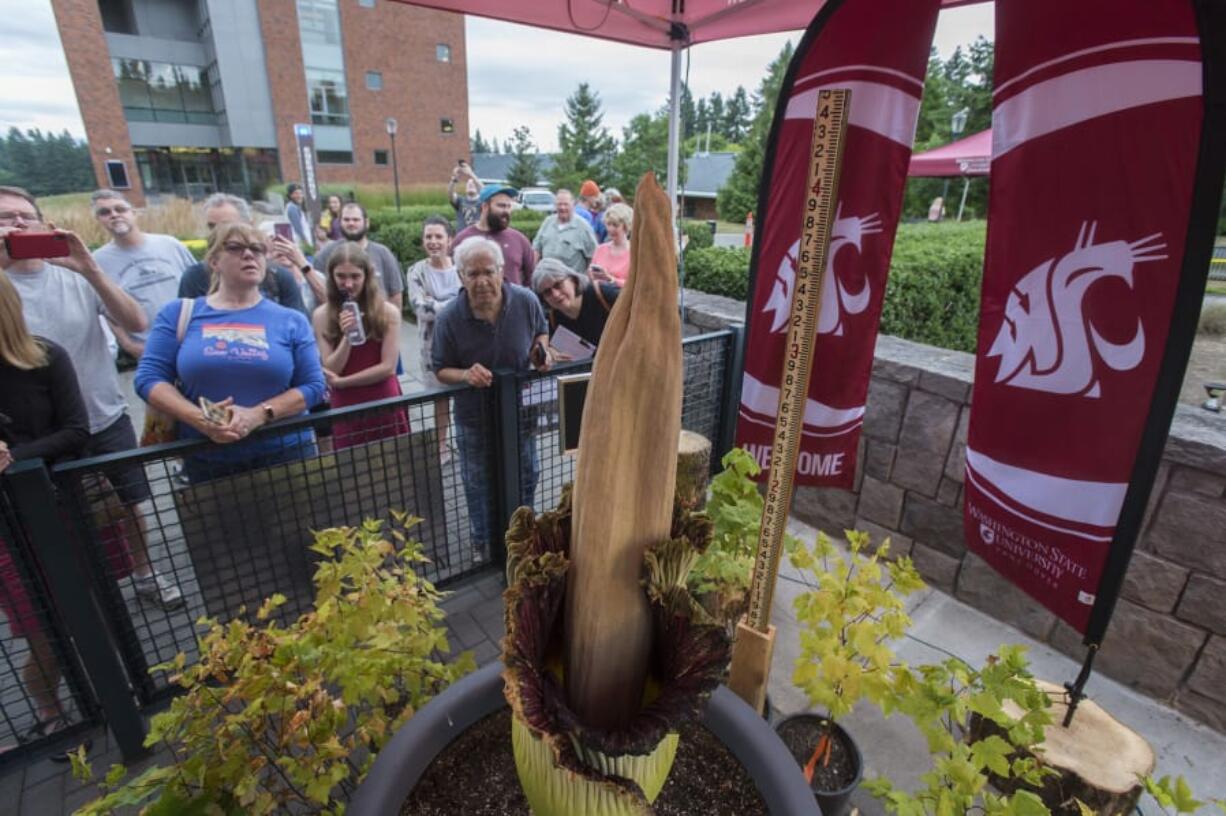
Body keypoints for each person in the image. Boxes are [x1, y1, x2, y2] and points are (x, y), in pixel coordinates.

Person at [0, 185, 182, 609]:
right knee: (53, 514)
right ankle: (75, 595)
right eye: (7, 217)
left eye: (26, 216)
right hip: (35, 433)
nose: (18, 224)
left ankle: (143, 573)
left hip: (101, 415)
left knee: (131, 502)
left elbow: (135, 321)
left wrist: (89, 268)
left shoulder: (74, 273)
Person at [135, 222, 327, 483]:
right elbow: (148, 378)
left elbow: (314, 386)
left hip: (285, 452)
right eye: (236, 247)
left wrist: (258, 414)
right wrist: (200, 420)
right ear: (214, 261)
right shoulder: (179, 314)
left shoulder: (291, 320)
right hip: (206, 457)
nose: (249, 255)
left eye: (257, 249)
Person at [0, 270, 91, 755]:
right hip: (6, 528)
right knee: (35, 624)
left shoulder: (45, 357)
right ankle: (52, 712)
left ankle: (110, 698)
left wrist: (17, 456)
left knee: (83, 611)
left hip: (56, 509)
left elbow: (78, 429)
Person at [432, 237, 553, 555]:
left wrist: (541, 351)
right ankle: (483, 540)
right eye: (473, 274)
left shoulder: (526, 300)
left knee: (528, 471)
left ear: (502, 271)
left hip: (521, 412)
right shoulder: (449, 318)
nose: (482, 280)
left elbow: (541, 330)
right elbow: (440, 369)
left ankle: (522, 532)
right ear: (460, 276)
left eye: (488, 271)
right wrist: (465, 375)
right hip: (474, 417)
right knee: (478, 481)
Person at [312, 244, 408, 449]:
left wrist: (344, 382)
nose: (348, 284)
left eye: (355, 276)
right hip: (346, 404)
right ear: (331, 276)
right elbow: (332, 368)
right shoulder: (322, 315)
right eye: (341, 276)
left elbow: (388, 367)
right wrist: (348, 337)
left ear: (367, 276)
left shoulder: (387, 312)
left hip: (381, 398)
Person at [90, 189, 196, 359]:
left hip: (193, 338)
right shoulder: (97, 262)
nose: (114, 215)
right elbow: (104, 310)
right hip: (151, 349)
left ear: (133, 212)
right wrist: (129, 345)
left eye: (120, 209)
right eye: (105, 212)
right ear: (98, 220)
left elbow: (201, 287)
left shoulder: (170, 244)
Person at [178, 193, 312, 315]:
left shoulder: (278, 277)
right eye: (212, 227)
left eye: (226, 226)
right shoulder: (195, 278)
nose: (217, 233)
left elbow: (299, 332)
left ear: (249, 225)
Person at [406, 216, 461, 461]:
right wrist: (455, 304)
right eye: (428, 236)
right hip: (432, 348)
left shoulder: (462, 266)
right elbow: (421, 309)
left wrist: (438, 304)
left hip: (463, 346)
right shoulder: (416, 271)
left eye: (439, 236)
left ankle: (464, 441)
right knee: (440, 399)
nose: (433, 241)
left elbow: (470, 302)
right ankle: (441, 445)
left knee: (464, 396)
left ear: (449, 240)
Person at [309, 202, 404, 310]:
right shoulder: (325, 255)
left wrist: (392, 322)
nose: (351, 223)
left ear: (366, 223)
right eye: (346, 220)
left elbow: (396, 294)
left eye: (356, 220)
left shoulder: (383, 253)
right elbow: (317, 294)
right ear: (339, 223)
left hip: (378, 322)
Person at [453, 185, 535, 286]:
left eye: (509, 206)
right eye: (501, 206)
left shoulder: (519, 240)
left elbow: (531, 279)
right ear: (485, 207)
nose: (506, 211)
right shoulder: (462, 240)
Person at [532, 258, 620, 349]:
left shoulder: (605, 294)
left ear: (573, 280)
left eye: (558, 285)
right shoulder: (553, 319)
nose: (555, 294)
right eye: (547, 292)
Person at [532, 189, 596, 275]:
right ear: (555, 205)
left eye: (566, 204)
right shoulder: (548, 222)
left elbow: (593, 256)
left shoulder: (583, 227)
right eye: (559, 204)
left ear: (573, 204)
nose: (562, 208)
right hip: (546, 279)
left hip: (571, 282)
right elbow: (536, 249)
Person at [588, 202, 633, 286]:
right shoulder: (600, 249)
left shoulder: (635, 253)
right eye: (608, 224)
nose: (610, 229)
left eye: (615, 225)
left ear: (626, 226)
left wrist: (611, 279)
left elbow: (635, 285)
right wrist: (591, 274)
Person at [448, 161, 483, 233]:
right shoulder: (460, 201)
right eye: (469, 184)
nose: (471, 185)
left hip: (478, 236)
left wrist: (471, 174)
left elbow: (486, 192)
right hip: (462, 237)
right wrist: (454, 178)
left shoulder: (482, 202)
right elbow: (450, 194)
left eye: (473, 184)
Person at [285, 183, 313, 251]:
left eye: (301, 193)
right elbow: (298, 228)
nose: (299, 196)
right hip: (299, 243)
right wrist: (305, 242)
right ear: (290, 195)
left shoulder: (295, 206)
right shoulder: (292, 208)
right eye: (296, 193)